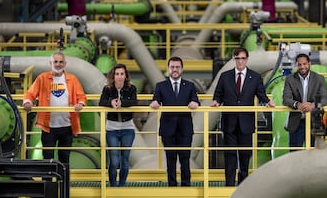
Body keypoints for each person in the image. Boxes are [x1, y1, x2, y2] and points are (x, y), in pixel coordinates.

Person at [211, 47, 275, 186]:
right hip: (229, 122)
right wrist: (216, 101)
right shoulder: (225, 76)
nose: (240, 61)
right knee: (230, 155)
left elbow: (261, 94)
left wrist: (267, 102)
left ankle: (243, 185)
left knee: (245, 156)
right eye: (237, 58)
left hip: (246, 123)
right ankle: (229, 185)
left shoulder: (255, 77)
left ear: (247, 60)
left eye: (243, 58)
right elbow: (218, 95)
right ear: (234, 59)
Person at [23, 52, 87, 164]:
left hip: (67, 126)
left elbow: (81, 96)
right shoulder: (42, 78)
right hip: (48, 127)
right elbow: (30, 94)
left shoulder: (73, 79)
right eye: (55, 62)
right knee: (48, 158)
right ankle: (48, 181)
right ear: (51, 63)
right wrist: (28, 103)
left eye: (61, 62)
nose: (58, 64)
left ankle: (64, 182)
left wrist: (80, 104)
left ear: (65, 64)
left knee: (65, 158)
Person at [149, 57, 200, 186]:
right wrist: (154, 103)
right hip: (168, 128)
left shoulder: (189, 86)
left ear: (182, 69)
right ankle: (172, 185)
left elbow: (195, 100)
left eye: (177, 67)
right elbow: (155, 100)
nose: (175, 70)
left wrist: (194, 103)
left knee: (185, 158)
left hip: (185, 128)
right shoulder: (161, 86)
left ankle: (186, 184)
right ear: (168, 69)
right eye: (172, 67)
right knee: (170, 159)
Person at [99, 64, 137, 187]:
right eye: (117, 74)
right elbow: (101, 102)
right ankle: (113, 185)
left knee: (125, 159)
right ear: (113, 76)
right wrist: (111, 102)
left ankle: (122, 185)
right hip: (112, 129)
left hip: (127, 128)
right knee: (114, 160)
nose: (119, 77)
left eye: (122, 74)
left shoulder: (132, 88)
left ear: (125, 76)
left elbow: (134, 102)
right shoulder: (107, 89)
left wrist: (122, 103)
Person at [282, 53, 327, 150]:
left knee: (314, 153)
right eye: (299, 64)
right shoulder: (290, 79)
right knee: (294, 153)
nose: (302, 67)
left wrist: (312, 105)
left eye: (305, 64)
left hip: (314, 121)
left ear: (309, 64)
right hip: (296, 122)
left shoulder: (319, 79)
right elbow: (286, 99)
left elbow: (324, 99)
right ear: (296, 65)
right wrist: (297, 105)